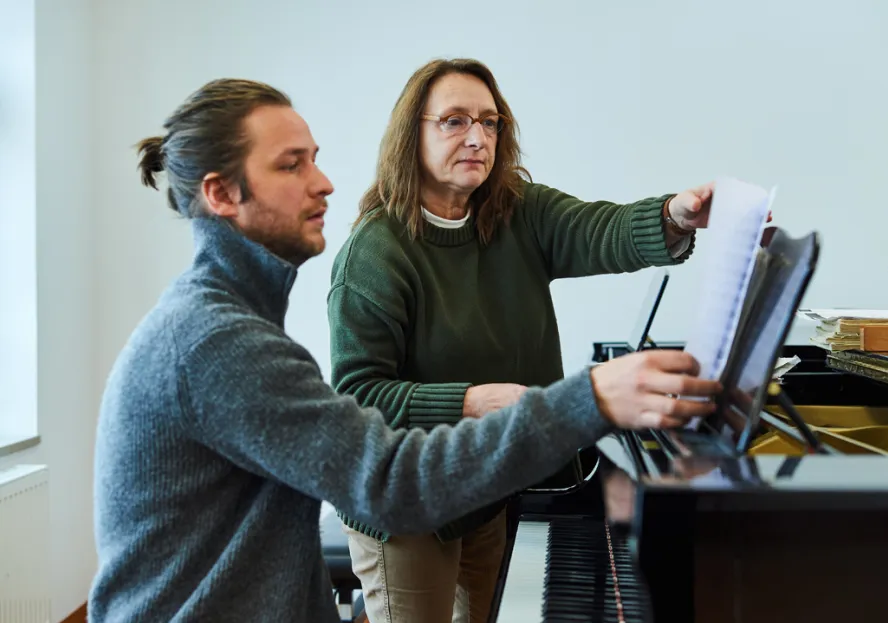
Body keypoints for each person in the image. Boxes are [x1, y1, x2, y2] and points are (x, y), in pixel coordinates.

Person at [88, 77, 721, 623]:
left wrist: (673, 215)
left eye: (315, 159)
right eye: (292, 165)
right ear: (222, 195)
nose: (325, 182)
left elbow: (599, 229)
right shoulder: (218, 341)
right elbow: (388, 480)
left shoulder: (225, 319)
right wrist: (588, 399)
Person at [327, 57, 716, 623]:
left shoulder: (517, 211)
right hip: (405, 501)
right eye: (455, 121)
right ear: (411, 134)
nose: (477, 137)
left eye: (490, 122)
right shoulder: (374, 253)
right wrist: (471, 401)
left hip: (487, 482)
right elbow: (359, 396)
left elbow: (599, 229)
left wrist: (675, 217)